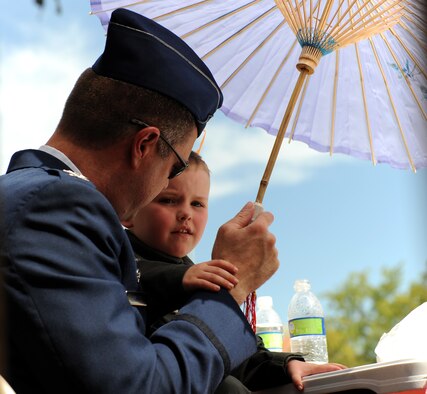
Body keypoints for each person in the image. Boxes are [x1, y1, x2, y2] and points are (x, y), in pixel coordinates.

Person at [0, 9, 280, 394]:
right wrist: (234, 282)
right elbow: (139, 387)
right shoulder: (54, 206)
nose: (171, 186)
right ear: (145, 145)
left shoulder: (39, 197)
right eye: (175, 167)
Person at [124, 151, 346, 393]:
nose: (186, 213)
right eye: (168, 200)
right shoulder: (115, 259)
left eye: (197, 203)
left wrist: (286, 364)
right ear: (129, 213)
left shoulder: (200, 273)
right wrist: (182, 280)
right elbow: (138, 279)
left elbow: (231, 353)